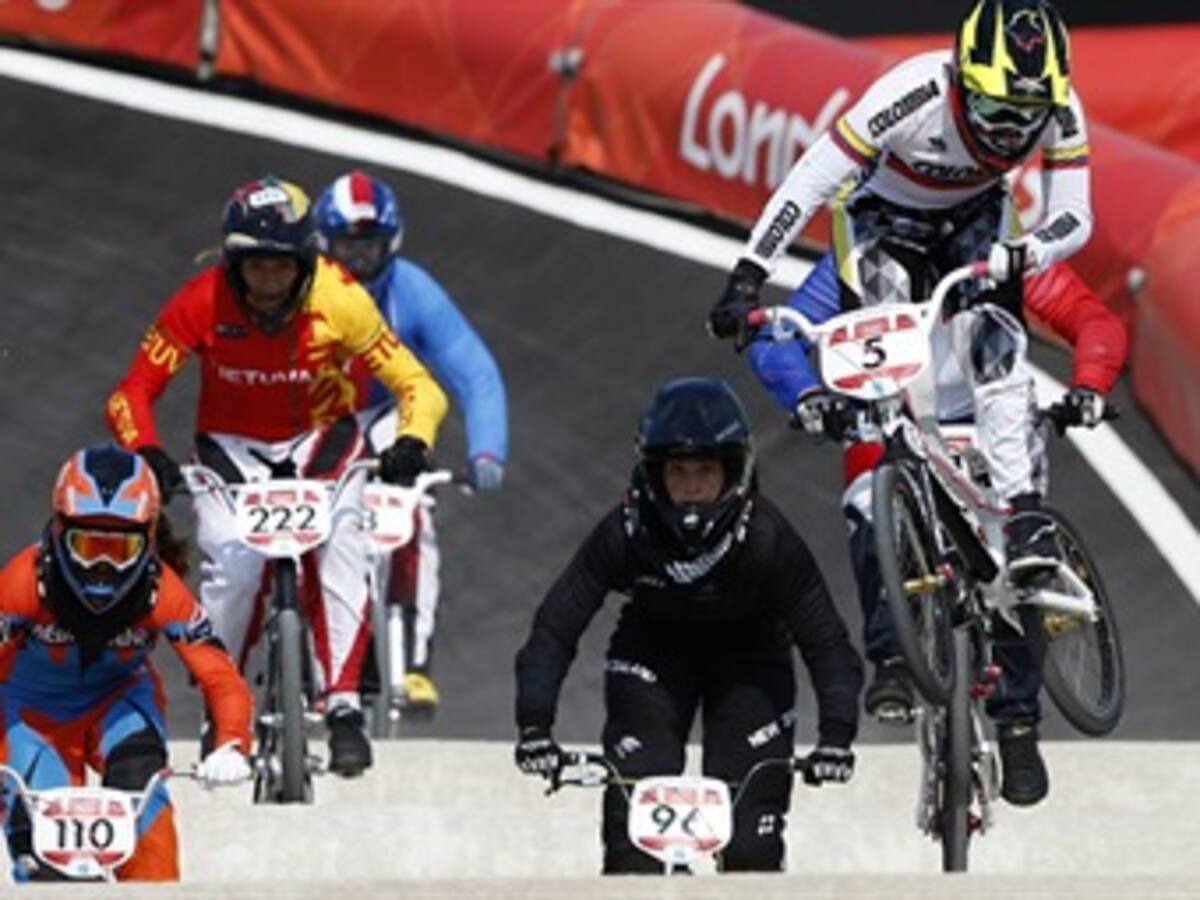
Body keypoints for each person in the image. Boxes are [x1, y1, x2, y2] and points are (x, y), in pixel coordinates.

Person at [708, 0, 1099, 807]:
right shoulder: (913, 90)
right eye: (990, 109)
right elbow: (814, 174)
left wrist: (1021, 256)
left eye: (1022, 118)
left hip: (982, 229)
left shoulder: (1058, 103)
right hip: (882, 224)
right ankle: (894, 626)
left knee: (997, 340)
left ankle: (1019, 516)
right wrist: (751, 268)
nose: (1004, 131)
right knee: (880, 379)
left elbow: (1076, 217)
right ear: (960, 77)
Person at [105, 176, 448, 777]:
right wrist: (149, 453)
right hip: (229, 448)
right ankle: (222, 702)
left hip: (323, 438)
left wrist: (414, 440)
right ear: (233, 264)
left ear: (306, 261)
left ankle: (342, 705)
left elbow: (418, 385)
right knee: (232, 569)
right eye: (254, 267)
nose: (268, 281)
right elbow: (131, 393)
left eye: (282, 266)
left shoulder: (341, 297)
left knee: (345, 553)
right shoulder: (199, 300)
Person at [513, 378, 863, 874]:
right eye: (679, 470)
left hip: (751, 665)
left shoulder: (768, 537)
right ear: (654, 474)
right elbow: (555, 626)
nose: (693, 485)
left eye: (706, 470)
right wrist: (534, 725)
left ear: (733, 471)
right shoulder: (625, 530)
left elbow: (826, 641)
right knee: (631, 835)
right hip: (652, 660)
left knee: (750, 845)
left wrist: (836, 736)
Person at [0, 445, 253, 882]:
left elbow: (219, 673)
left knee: (144, 798)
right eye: (88, 546)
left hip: (117, 705)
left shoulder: (164, 592)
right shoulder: (22, 582)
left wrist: (232, 742)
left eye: (119, 550)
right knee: (41, 848)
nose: (101, 567)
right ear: (60, 531)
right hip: (29, 719)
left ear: (149, 540)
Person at [315, 170, 508, 714]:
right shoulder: (298, 287)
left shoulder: (411, 292)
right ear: (324, 247)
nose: (357, 264)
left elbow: (475, 372)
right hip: (310, 413)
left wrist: (486, 451)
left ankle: (416, 660)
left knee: (412, 514)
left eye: (368, 251)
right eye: (346, 251)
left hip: (381, 413)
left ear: (390, 247)